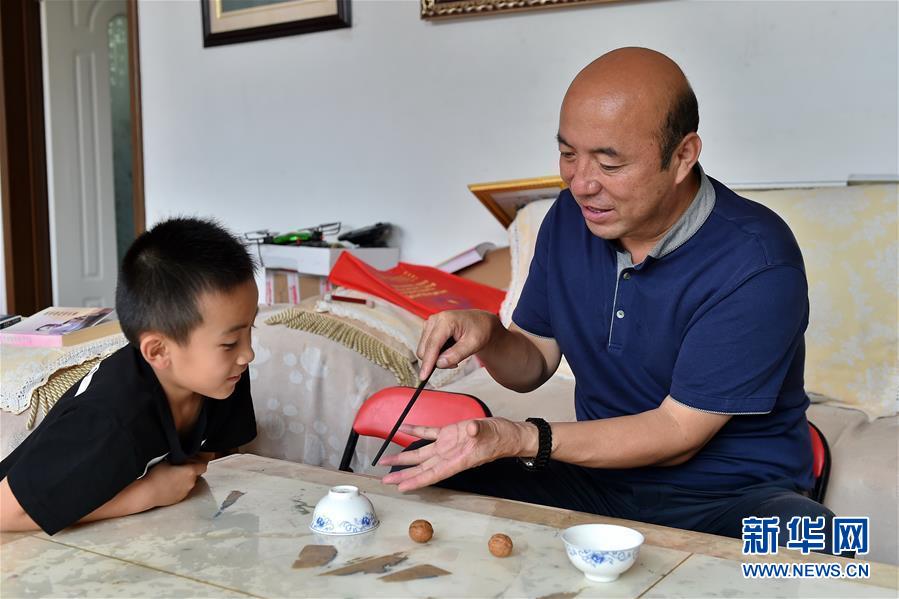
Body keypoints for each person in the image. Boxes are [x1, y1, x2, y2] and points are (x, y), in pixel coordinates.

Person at [381, 47, 836, 547]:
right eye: (569, 154)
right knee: (430, 490)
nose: (581, 183)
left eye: (610, 161)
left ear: (683, 155)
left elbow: (676, 434)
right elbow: (532, 361)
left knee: (822, 547)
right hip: (597, 479)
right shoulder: (569, 218)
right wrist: (488, 334)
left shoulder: (757, 259)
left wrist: (519, 437)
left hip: (730, 497)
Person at [0, 217, 258, 535]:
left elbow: (203, 463)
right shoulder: (109, 418)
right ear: (158, 351)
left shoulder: (222, 378)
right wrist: (146, 494)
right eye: (230, 343)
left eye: (251, 329)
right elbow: (7, 512)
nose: (248, 354)